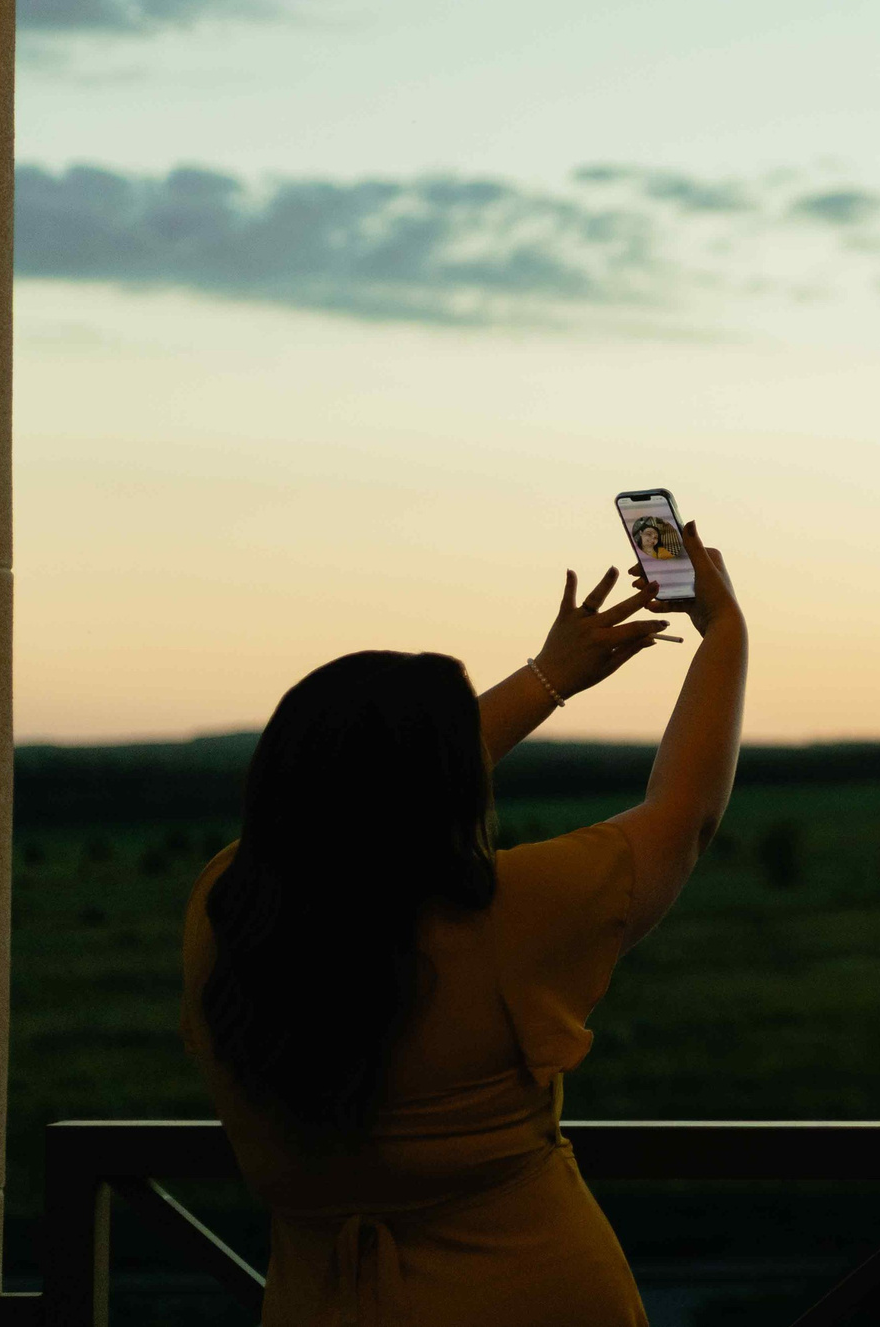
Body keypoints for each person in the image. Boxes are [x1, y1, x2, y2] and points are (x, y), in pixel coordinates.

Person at [180, 522, 746, 1326]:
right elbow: (684, 816)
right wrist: (724, 631)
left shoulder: (227, 907)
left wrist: (550, 676)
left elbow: (361, 794)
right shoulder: (507, 913)